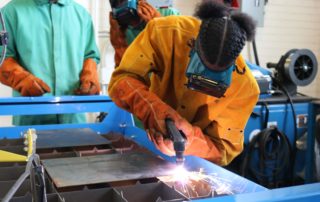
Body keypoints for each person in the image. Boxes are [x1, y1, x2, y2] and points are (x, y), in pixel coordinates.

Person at [108, 1, 260, 166]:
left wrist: (191, 142)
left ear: (232, 66)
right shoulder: (165, 32)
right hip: (143, 135)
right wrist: (152, 109)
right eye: (202, 69)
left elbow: (222, 150)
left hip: (195, 162)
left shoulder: (245, 89)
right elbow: (121, 80)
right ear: (193, 44)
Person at [0, 0, 100, 125]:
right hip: (31, 122)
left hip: (74, 118)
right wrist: (21, 79)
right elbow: (2, 57)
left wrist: (90, 74)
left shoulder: (82, 14)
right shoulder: (9, 13)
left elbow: (90, 55)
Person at [109, 0, 180, 67]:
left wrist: (157, 25)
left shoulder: (168, 14)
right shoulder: (121, 30)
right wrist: (120, 45)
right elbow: (125, 70)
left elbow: (180, 53)